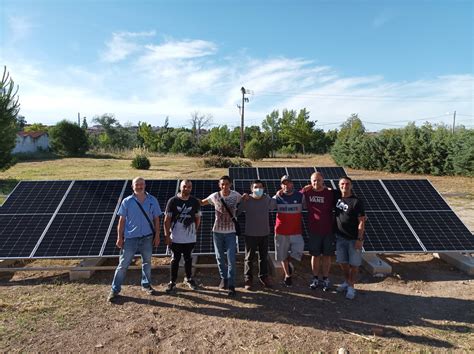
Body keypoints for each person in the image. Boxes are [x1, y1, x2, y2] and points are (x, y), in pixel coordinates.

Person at [107, 177, 161, 302]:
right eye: (137, 184)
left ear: (145, 185)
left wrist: (157, 235)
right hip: (130, 238)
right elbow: (121, 221)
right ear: (132, 186)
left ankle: (146, 285)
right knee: (123, 265)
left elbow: (156, 219)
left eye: (142, 184)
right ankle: (114, 290)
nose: (139, 186)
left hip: (147, 238)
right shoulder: (127, 201)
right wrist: (120, 237)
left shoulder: (152, 200)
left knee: (147, 263)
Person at [201, 176, 242, 296]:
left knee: (231, 259)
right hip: (217, 232)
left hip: (231, 232)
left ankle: (231, 284)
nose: (225, 186)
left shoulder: (236, 195)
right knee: (219, 257)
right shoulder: (214, 196)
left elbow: (245, 199)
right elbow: (202, 202)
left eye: (227, 184)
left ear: (230, 184)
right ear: (219, 185)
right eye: (222, 184)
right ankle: (224, 278)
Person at [237, 180, 277, 290]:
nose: (258, 189)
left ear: (263, 189)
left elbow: (274, 206)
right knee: (249, 258)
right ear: (251, 189)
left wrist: (277, 195)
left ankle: (264, 276)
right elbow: (237, 212)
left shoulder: (267, 199)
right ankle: (248, 278)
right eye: (255, 187)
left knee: (263, 257)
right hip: (250, 234)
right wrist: (242, 200)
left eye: (260, 187)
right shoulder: (247, 199)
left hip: (264, 233)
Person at [163, 179, 201, 293]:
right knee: (175, 259)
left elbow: (198, 218)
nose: (187, 189)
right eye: (185, 186)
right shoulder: (173, 201)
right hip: (176, 237)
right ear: (180, 187)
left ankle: (189, 279)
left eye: (189, 187)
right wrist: (167, 235)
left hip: (190, 237)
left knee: (188, 258)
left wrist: (194, 230)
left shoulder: (194, 201)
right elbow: (167, 220)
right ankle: (172, 282)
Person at [302, 172, 335, 291]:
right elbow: (292, 196)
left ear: (323, 181)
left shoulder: (330, 193)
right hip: (314, 230)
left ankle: (325, 278)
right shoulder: (306, 192)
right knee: (315, 255)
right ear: (310, 182)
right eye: (314, 181)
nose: (316, 183)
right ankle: (315, 278)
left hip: (328, 230)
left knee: (327, 256)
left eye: (318, 180)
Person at [334, 176, 366, 300]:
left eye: (347, 184)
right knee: (343, 262)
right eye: (342, 184)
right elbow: (323, 188)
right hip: (340, 237)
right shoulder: (336, 197)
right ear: (339, 185)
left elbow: (362, 221)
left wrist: (359, 239)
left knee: (354, 264)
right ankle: (347, 281)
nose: (344, 186)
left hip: (353, 238)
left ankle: (351, 287)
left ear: (351, 186)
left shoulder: (356, 202)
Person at [274, 175, 305, 287]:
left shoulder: (300, 196)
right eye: (284, 183)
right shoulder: (277, 197)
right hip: (281, 231)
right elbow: (266, 204)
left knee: (298, 252)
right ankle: (288, 276)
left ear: (292, 184)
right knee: (282, 255)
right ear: (281, 185)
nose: (286, 185)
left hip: (296, 231)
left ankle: (289, 262)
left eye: (288, 183)